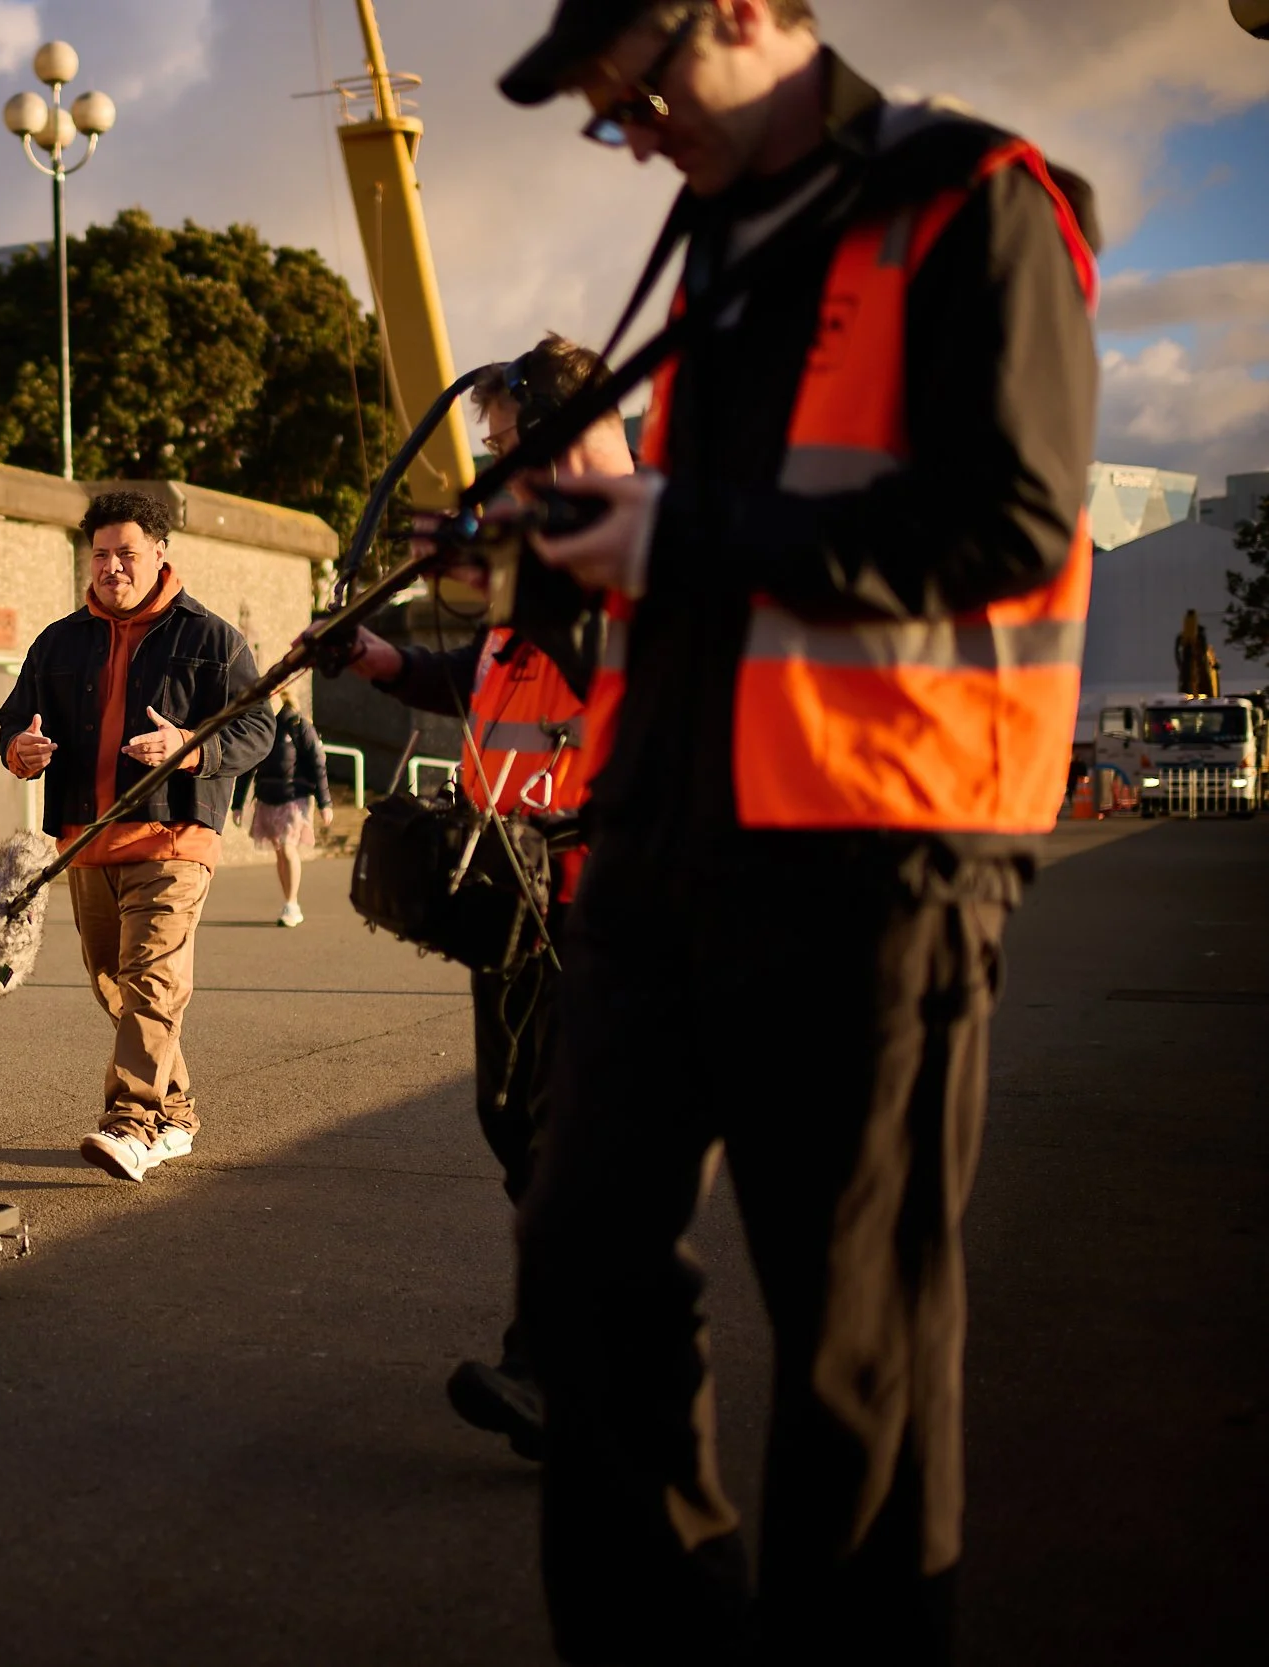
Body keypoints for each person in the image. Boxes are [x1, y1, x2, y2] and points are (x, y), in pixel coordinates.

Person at [496, 2, 1098, 1660]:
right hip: (673, 840)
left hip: (881, 853)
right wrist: (582, 543)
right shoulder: (721, 248)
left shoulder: (974, 197)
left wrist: (682, 529)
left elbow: (1014, 512)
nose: (633, 137)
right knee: (581, 1253)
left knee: (856, 1334)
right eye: (611, 119)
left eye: (639, 94)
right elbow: (715, 562)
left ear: (749, 10)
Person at [328, 334, 631, 1462]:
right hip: (512, 887)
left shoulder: (622, 543)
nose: (492, 471)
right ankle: (580, 1358)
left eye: (504, 448)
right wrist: (375, 659)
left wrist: (515, 556)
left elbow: (610, 666)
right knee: (519, 1127)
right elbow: (492, 674)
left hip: (592, 889)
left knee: (563, 1140)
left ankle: (558, 1371)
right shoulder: (546, 555)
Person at [0, 488, 276, 1183]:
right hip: (85, 840)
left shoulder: (211, 639)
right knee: (115, 986)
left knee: (152, 981)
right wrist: (18, 750)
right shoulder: (58, 641)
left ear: (160, 553)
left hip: (175, 837)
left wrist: (189, 744)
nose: (111, 567)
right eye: (100, 554)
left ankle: (131, 1122)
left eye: (125, 553)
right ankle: (176, 1112)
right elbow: (14, 721)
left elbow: (256, 728)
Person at [231, 688, 334, 925]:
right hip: (268, 796)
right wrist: (238, 804)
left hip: (293, 796)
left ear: (280, 697)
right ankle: (289, 901)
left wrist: (324, 802)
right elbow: (248, 764)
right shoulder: (260, 728)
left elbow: (318, 764)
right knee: (280, 850)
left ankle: (292, 903)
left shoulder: (299, 725)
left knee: (288, 847)